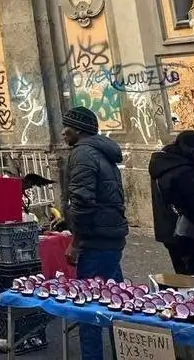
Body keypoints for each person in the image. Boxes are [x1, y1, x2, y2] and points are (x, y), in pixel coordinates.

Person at [62, 106, 128, 360]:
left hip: (96, 241)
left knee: (88, 309)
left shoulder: (82, 154)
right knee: (117, 302)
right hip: (111, 237)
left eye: (67, 126)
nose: (63, 132)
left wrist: (75, 242)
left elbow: (82, 202)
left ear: (79, 129)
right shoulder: (102, 152)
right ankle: (123, 352)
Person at [150, 130, 194, 284]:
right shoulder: (184, 172)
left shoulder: (162, 165)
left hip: (169, 230)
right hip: (189, 234)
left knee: (183, 278)